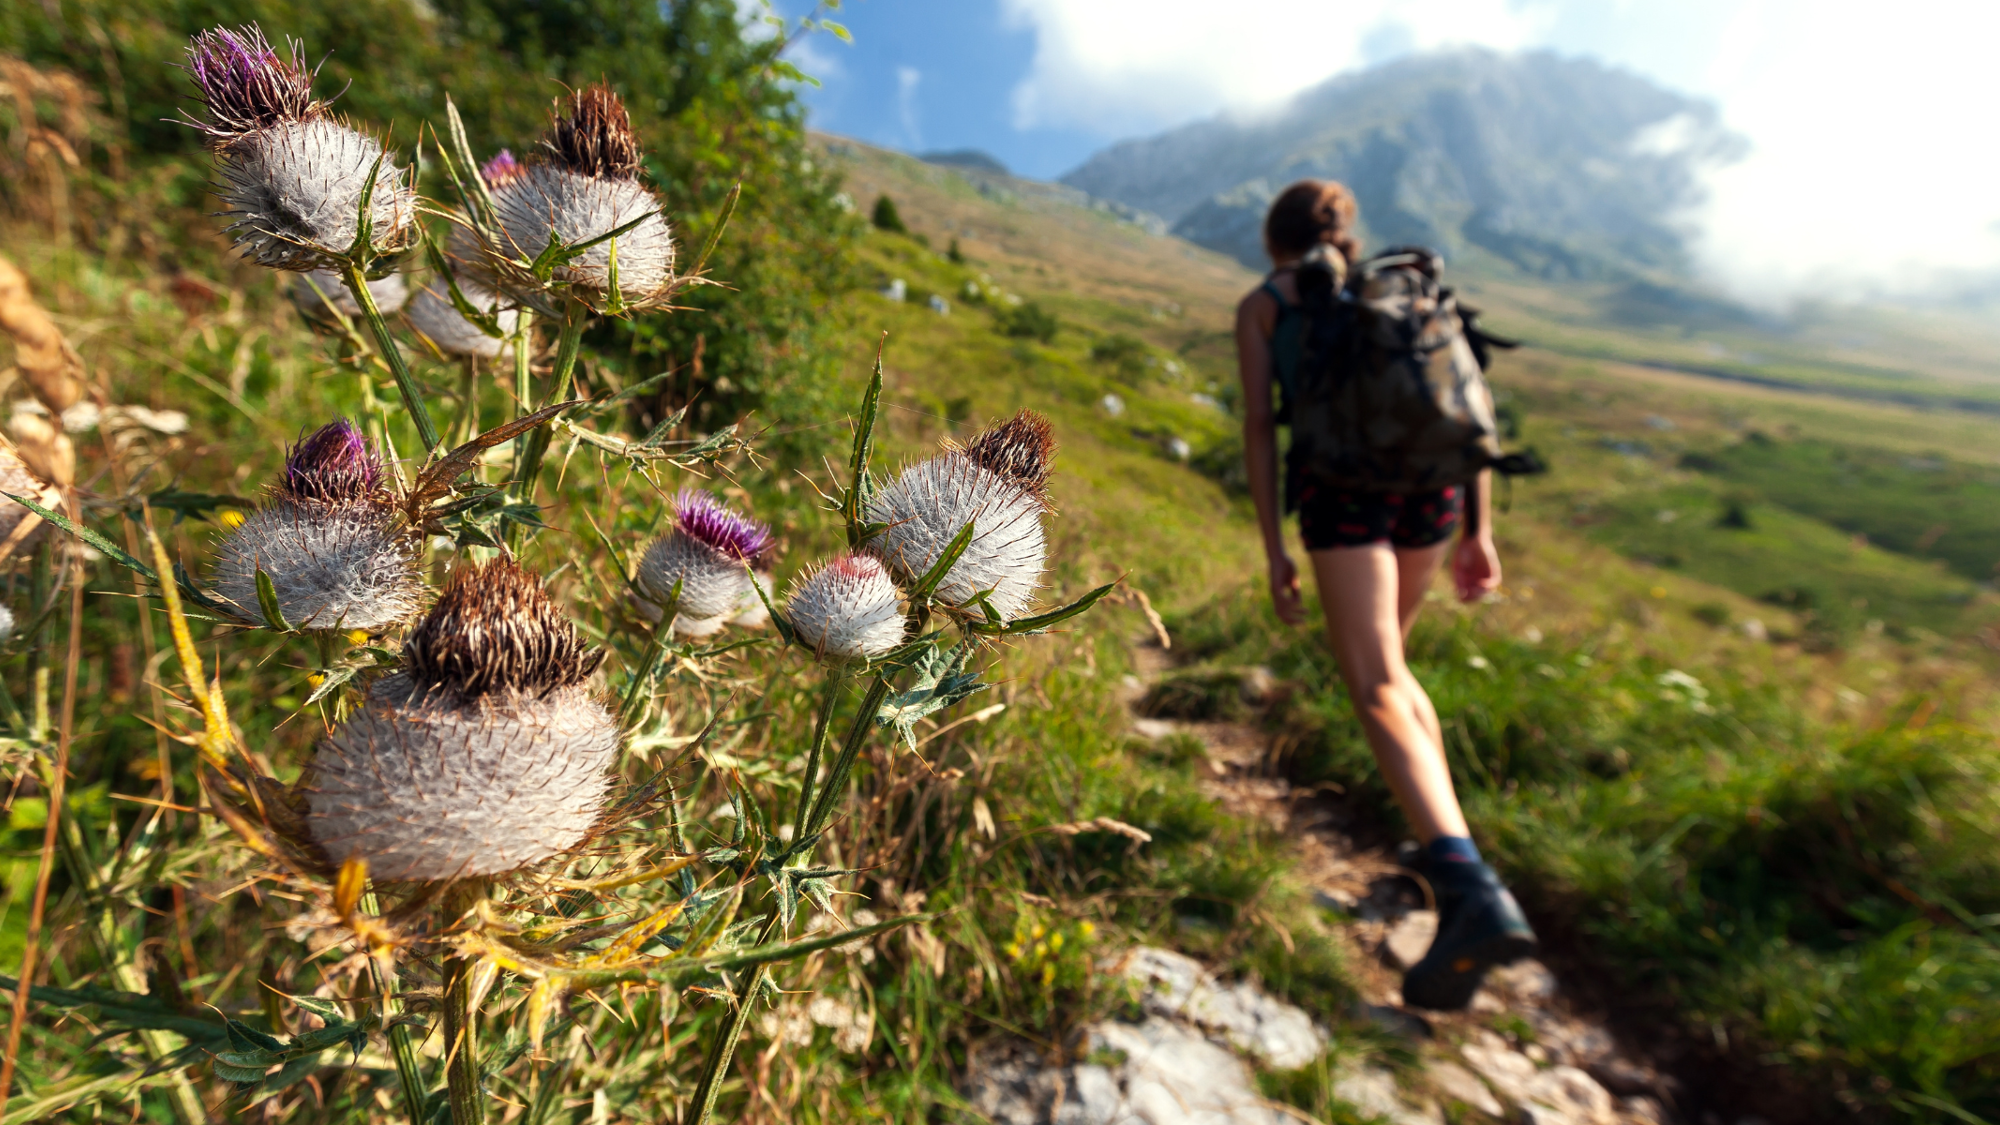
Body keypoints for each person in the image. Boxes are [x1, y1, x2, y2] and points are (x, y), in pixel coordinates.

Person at [1234, 180, 1537, 1011]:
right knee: (1394, 672)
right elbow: (1467, 401)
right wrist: (1479, 528)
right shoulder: (1402, 289)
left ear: (1273, 239)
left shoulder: (1267, 304)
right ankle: (1445, 849)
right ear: (1345, 234)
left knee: (1373, 686)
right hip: (1433, 494)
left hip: (1345, 497)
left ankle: (1468, 886)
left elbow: (1261, 426)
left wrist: (1274, 547)